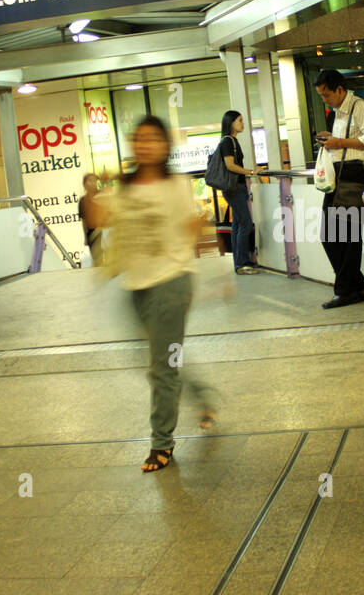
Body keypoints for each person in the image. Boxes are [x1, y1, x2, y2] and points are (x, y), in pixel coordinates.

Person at [91, 116, 217, 473]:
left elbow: (195, 224)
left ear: (165, 146)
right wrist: (100, 187)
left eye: (153, 139)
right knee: (160, 362)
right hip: (135, 285)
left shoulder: (176, 185)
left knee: (161, 368)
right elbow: (101, 219)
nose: (145, 145)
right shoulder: (125, 187)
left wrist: (208, 265)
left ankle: (161, 443)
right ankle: (203, 399)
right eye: (139, 139)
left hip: (173, 281)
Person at [313, 70, 364, 308]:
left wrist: (339, 142)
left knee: (347, 237)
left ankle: (347, 290)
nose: (325, 99)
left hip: (351, 174)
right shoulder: (339, 112)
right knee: (330, 236)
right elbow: (350, 140)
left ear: (340, 90)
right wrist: (331, 139)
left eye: (327, 94)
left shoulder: (359, 106)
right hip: (339, 175)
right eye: (321, 95)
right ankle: (357, 287)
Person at [217, 110, 264, 274]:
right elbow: (230, 165)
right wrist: (250, 172)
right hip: (234, 188)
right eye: (240, 120)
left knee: (237, 225)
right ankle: (243, 263)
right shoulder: (228, 142)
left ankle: (239, 264)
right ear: (231, 123)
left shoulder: (230, 141)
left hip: (235, 187)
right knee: (244, 223)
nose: (242, 123)